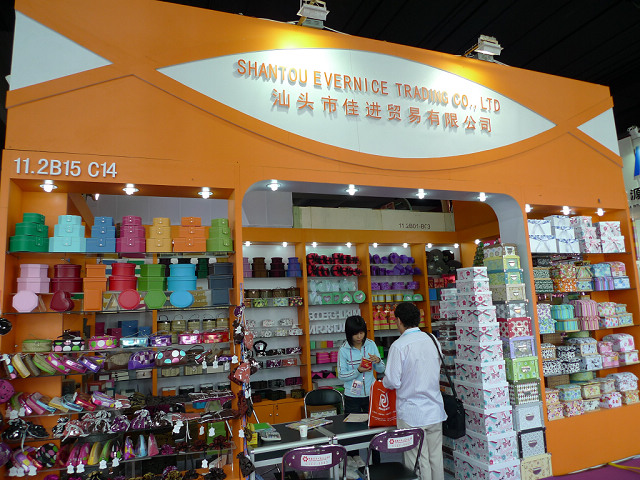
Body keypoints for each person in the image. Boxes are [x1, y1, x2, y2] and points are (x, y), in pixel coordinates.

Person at [383, 302, 446, 480]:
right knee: (436, 459)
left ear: (398, 320)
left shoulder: (399, 346)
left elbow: (392, 381)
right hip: (434, 409)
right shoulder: (432, 340)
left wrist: (384, 381)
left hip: (412, 414)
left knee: (418, 461)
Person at [337, 315, 385, 414]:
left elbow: (381, 369)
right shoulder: (343, 350)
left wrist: (378, 361)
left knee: (372, 421)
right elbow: (341, 375)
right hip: (352, 396)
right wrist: (358, 371)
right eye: (355, 334)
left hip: (371, 393)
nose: (359, 337)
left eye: (361, 333)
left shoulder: (371, 344)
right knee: (354, 422)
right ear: (349, 334)